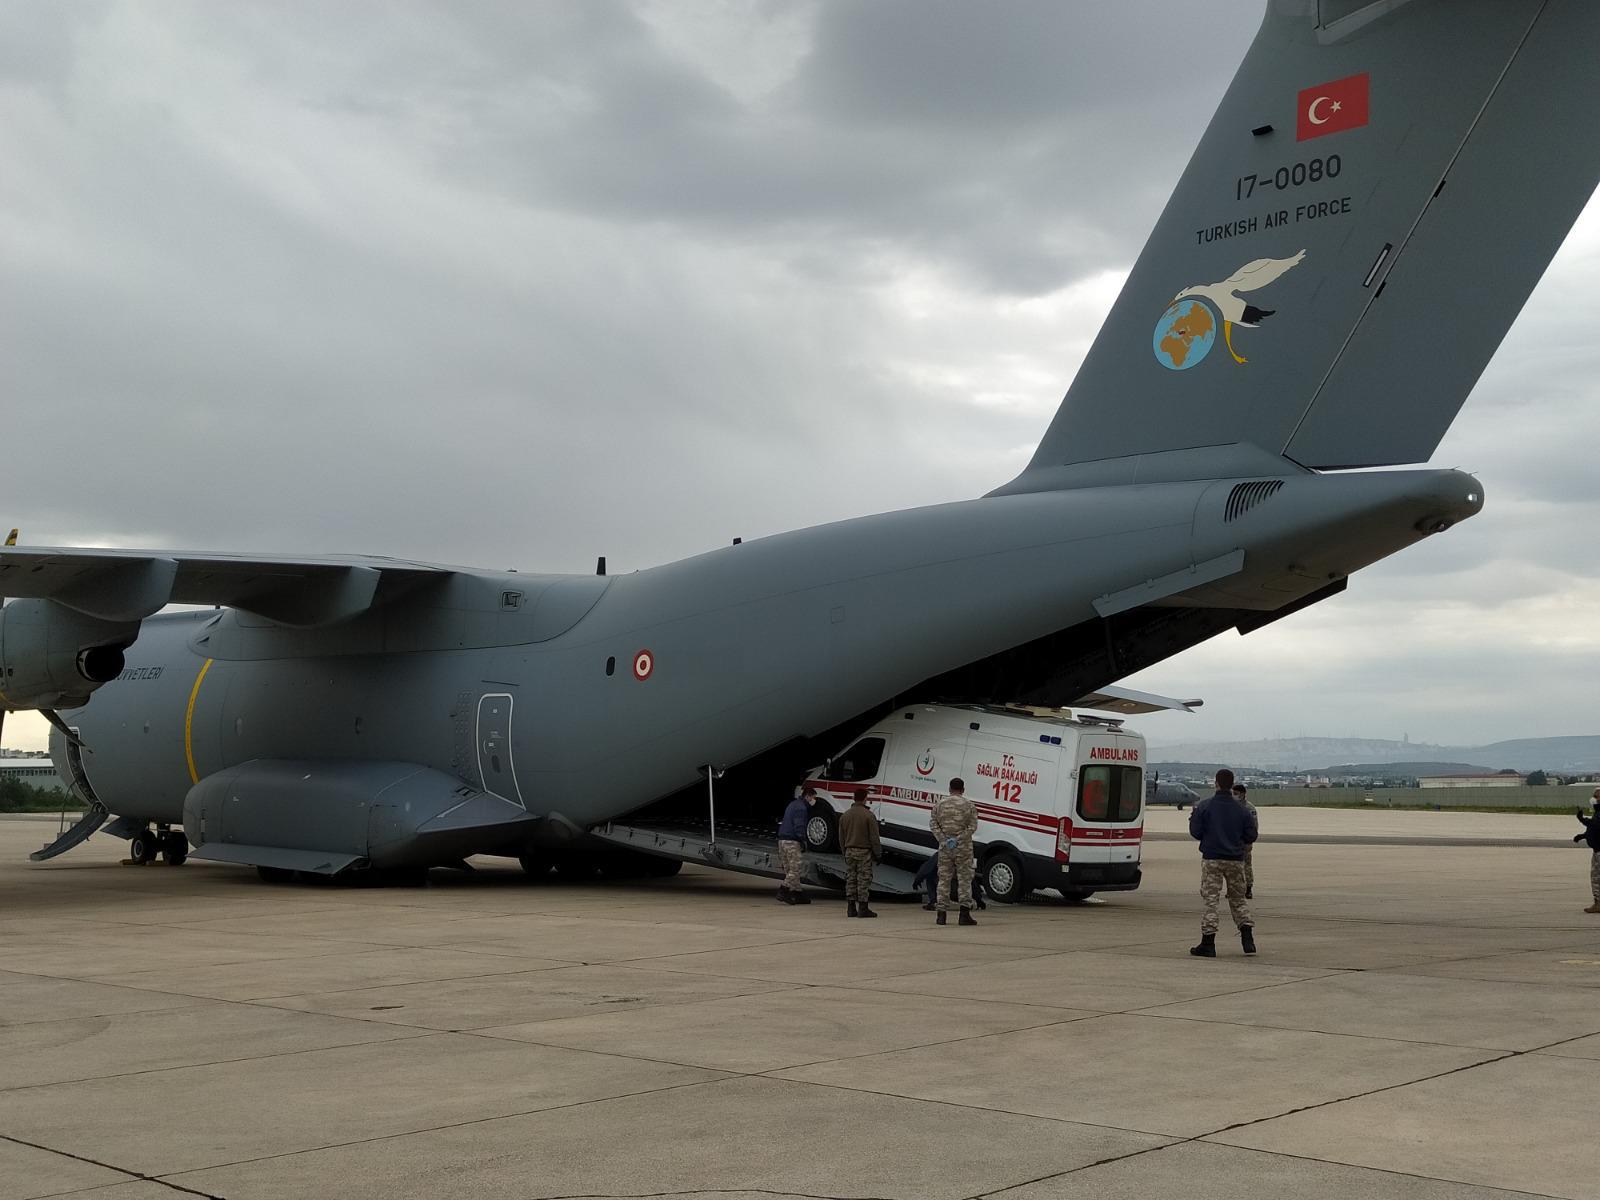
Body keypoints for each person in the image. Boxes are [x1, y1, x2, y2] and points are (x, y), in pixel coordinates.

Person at [1189, 768, 1256, 956]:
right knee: (1238, 899)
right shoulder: (1242, 809)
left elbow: (1196, 832)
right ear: (1231, 784)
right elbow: (1251, 835)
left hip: (1212, 859)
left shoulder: (1205, 806)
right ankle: (1247, 936)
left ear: (1216, 783)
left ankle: (1208, 942)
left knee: (1211, 900)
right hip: (1235, 859)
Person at [929, 777, 979, 926]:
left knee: (943, 879)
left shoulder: (940, 804)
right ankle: (964, 914)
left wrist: (944, 840)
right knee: (964, 879)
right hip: (963, 848)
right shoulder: (969, 805)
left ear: (949, 789)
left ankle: (941, 915)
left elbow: (933, 824)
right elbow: (972, 826)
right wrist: (959, 839)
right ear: (963, 790)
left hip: (945, 848)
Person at [837, 787, 882, 918]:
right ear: (865, 799)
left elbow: (841, 837)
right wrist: (878, 854)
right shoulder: (869, 815)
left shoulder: (845, 816)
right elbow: (874, 838)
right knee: (864, 879)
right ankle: (863, 907)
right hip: (864, 852)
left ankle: (851, 908)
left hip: (849, 851)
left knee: (851, 878)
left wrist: (844, 851)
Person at [775, 785, 815, 905]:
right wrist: (803, 840)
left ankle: (797, 892)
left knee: (789, 869)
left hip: (782, 840)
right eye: (812, 797)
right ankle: (783, 890)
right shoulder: (801, 808)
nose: (813, 800)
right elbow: (799, 826)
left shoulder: (793, 804)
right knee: (795, 869)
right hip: (792, 841)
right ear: (807, 796)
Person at [915, 854, 986, 911]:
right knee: (966, 878)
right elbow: (971, 881)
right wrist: (979, 900)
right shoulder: (964, 856)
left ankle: (933, 902)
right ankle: (966, 906)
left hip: (946, 891)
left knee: (930, 876)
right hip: (962, 893)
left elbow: (926, 869)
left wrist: (917, 880)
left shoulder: (941, 854)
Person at [1574, 788, 1600, 914]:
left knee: (1596, 877)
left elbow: (1596, 825)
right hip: (1597, 850)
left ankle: (1598, 903)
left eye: (1597, 796)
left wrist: (1582, 819)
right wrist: (1583, 836)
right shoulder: (1598, 812)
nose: (1594, 799)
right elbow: (1594, 830)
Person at [1233, 782, 1257, 899]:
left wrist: (1250, 841)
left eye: (1236, 793)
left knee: (1246, 865)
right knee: (1233, 867)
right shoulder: (1231, 806)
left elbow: (1254, 826)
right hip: (1232, 841)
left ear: (1242, 794)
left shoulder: (1249, 808)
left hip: (1244, 841)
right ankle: (1233, 889)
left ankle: (1248, 888)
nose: (1234, 795)